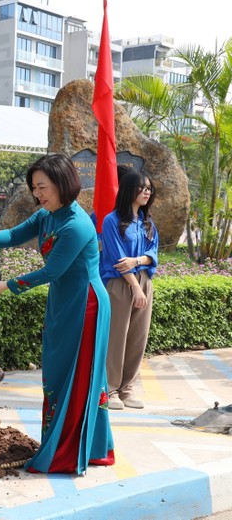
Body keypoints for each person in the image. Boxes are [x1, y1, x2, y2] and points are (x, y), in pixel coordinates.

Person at [0, 153, 115, 474]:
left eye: (43, 187)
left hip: (86, 305)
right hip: (64, 302)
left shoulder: (76, 224)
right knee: (59, 373)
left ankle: (68, 452)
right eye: (35, 188)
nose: (38, 194)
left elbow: (53, 270)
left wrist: (7, 285)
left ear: (62, 183)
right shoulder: (48, 215)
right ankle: (88, 445)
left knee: (78, 375)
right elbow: (15, 234)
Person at [100, 171, 159, 410]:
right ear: (128, 190)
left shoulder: (147, 223)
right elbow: (117, 259)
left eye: (149, 189)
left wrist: (137, 262)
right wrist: (135, 286)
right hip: (120, 284)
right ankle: (111, 389)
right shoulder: (111, 221)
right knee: (116, 338)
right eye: (142, 188)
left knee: (138, 337)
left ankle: (127, 388)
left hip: (144, 282)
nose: (147, 192)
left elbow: (153, 255)